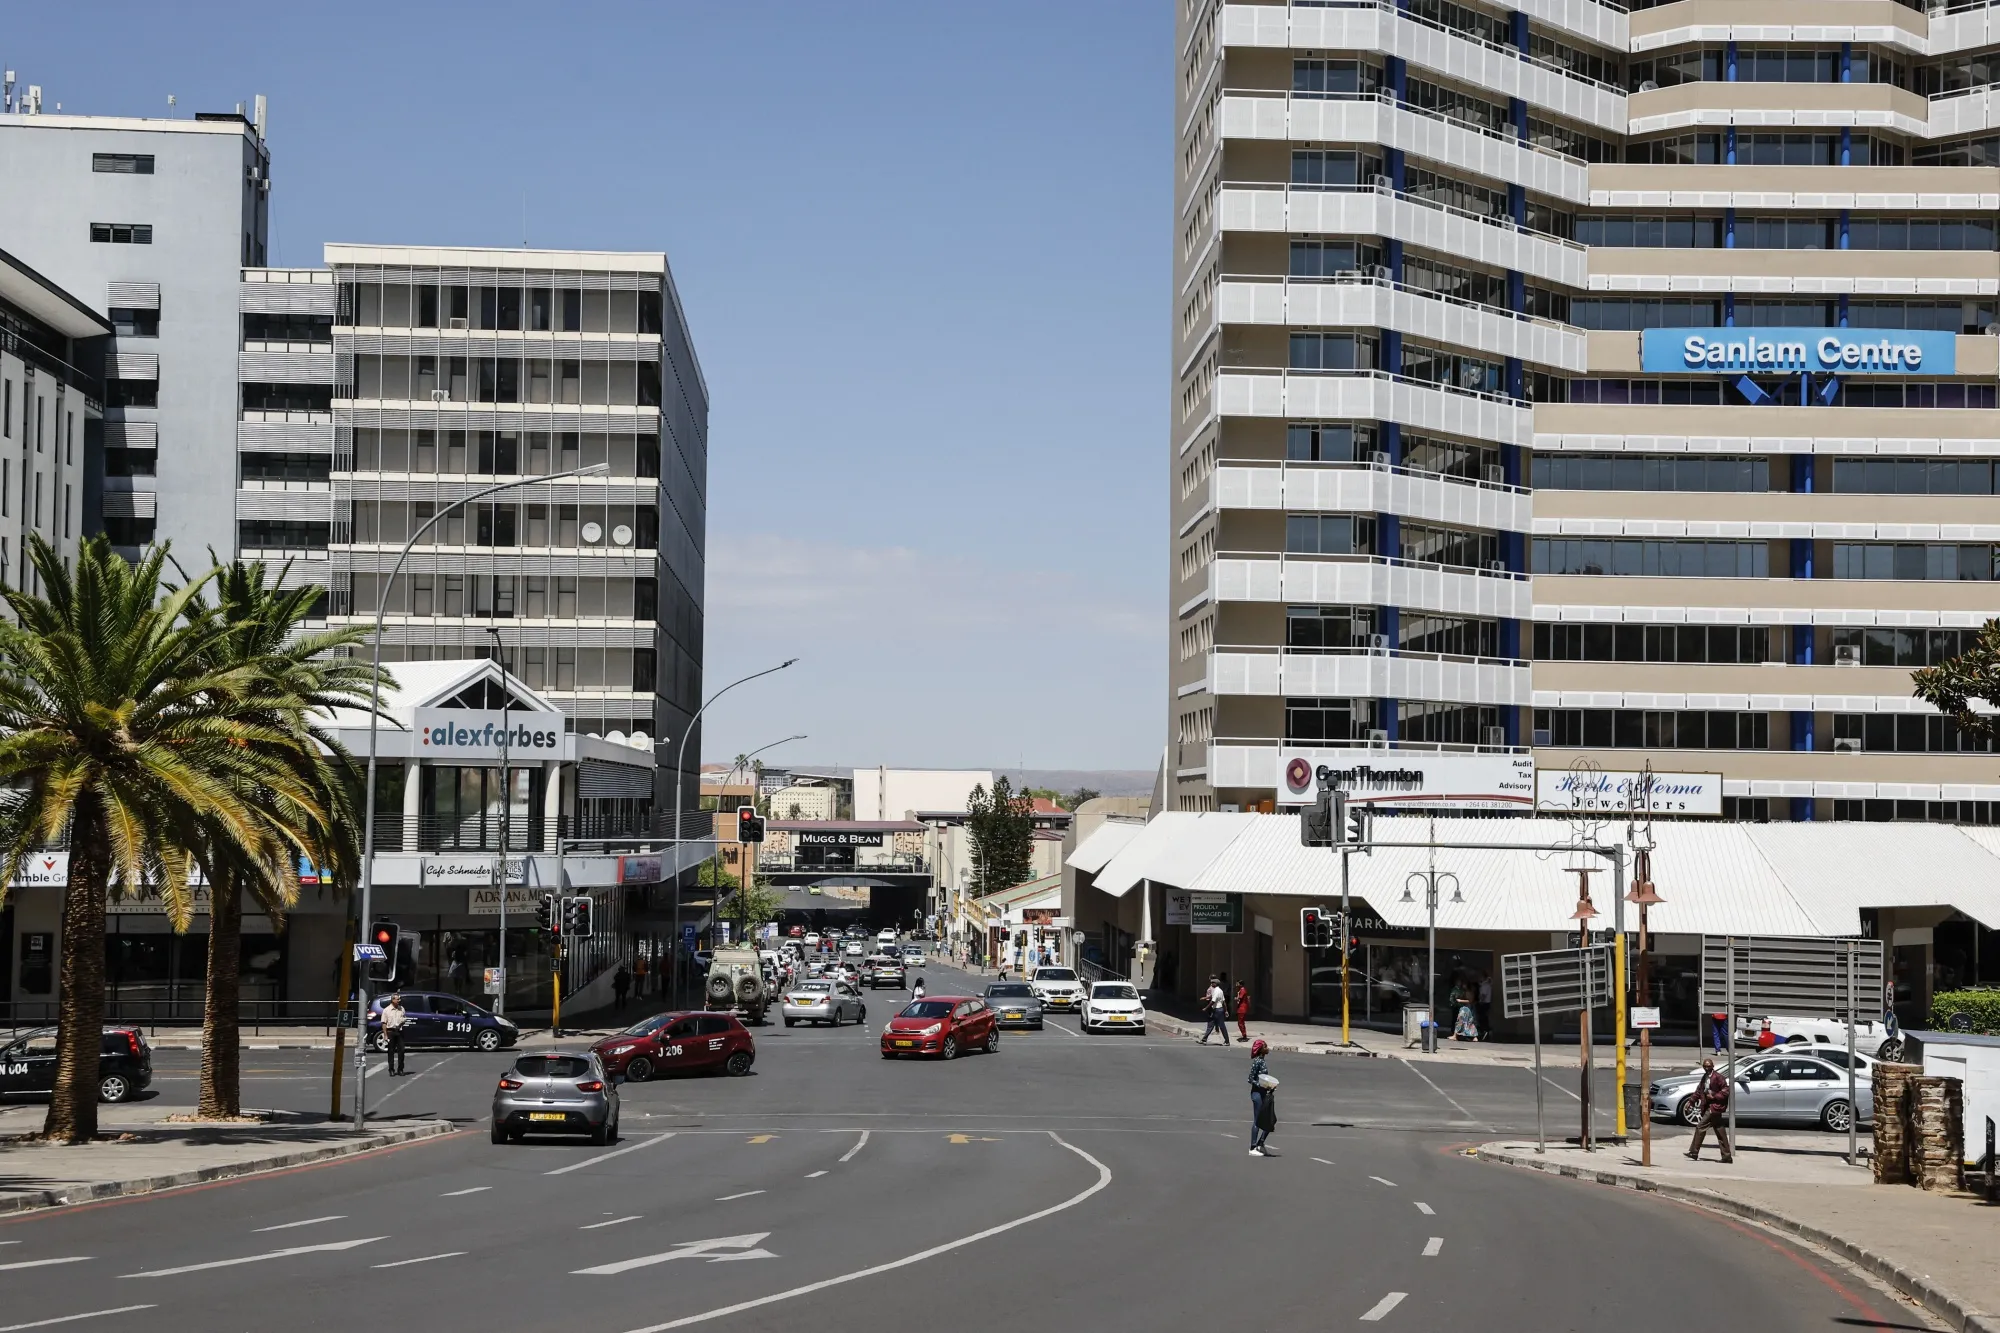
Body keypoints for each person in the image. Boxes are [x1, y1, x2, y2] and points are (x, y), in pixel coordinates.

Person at [1685, 1057, 1734, 1163]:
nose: (1707, 1068)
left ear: (1713, 1066)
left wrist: (1715, 1096)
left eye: (1708, 1066)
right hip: (1708, 1106)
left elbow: (1726, 1091)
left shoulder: (1718, 1077)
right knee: (1720, 1131)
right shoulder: (1705, 1077)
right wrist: (1691, 1101)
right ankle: (1727, 1156)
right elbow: (1699, 1091)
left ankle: (1694, 1152)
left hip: (1714, 1107)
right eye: (1705, 1066)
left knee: (1700, 1127)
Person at [1247, 1038, 1278, 1156]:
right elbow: (1250, 1079)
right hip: (1257, 1094)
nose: (1268, 1048)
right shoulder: (1257, 1062)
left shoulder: (1263, 1061)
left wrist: (1270, 1086)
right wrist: (1262, 1085)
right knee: (1258, 1120)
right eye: (1265, 1046)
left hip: (1264, 1094)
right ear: (1261, 1050)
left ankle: (1261, 1143)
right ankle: (1252, 1147)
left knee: (1271, 1119)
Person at [380, 993, 409, 1075]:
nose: (399, 1001)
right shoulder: (386, 1010)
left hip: (399, 1031)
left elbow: (404, 1018)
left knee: (402, 1050)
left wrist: (401, 1023)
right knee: (391, 1051)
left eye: (399, 999)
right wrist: (385, 1035)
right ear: (393, 1000)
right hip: (390, 1031)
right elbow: (384, 1023)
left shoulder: (401, 1009)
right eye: (397, 999)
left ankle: (400, 1069)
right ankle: (391, 1069)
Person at [1200, 975, 1231, 1045]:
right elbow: (1224, 1002)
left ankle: (1227, 1041)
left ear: (1215, 984)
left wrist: (1206, 1008)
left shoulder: (1217, 991)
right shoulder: (1219, 991)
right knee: (1211, 1024)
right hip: (1217, 1010)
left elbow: (1213, 1001)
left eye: (1212, 983)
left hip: (1218, 1010)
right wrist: (1226, 1011)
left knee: (1222, 1026)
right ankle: (1204, 1039)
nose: (1211, 984)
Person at [1475, 974, 1493, 1042]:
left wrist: (1480, 1002)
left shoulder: (1485, 985)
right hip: (1486, 1003)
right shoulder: (1487, 985)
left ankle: (1485, 1031)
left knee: (1482, 1018)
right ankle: (1486, 1031)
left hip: (1484, 1003)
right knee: (1484, 1018)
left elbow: (1483, 995)